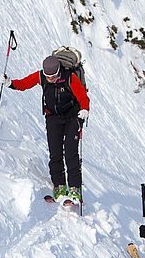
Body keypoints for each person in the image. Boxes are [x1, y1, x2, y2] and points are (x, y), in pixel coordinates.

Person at [5, 50, 90, 205]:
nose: (50, 79)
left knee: (71, 152)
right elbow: (24, 84)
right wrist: (10, 83)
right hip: (53, 117)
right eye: (48, 76)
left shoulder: (70, 78)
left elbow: (83, 96)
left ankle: (75, 189)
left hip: (73, 117)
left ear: (59, 71)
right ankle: (59, 186)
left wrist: (84, 109)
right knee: (55, 152)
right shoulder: (41, 76)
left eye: (53, 76)